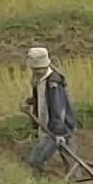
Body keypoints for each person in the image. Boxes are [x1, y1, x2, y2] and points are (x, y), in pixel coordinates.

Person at [22, 46, 81, 177]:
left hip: (59, 129)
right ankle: (72, 182)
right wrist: (29, 102)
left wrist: (59, 133)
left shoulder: (53, 83)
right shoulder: (40, 80)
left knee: (36, 160)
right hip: (48, 126)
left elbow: (58, 108)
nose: (36, 72)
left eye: (37, 69)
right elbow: (42, 99)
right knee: (70, 160)